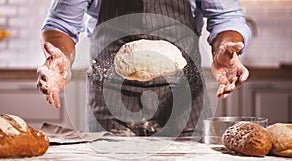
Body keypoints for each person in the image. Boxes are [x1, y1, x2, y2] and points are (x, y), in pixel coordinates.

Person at [37, 0, 251, 136]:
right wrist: (60, 58)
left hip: (183, 97)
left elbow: (226, 17)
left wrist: (224, 48)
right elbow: (61, 23)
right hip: (110, 95)